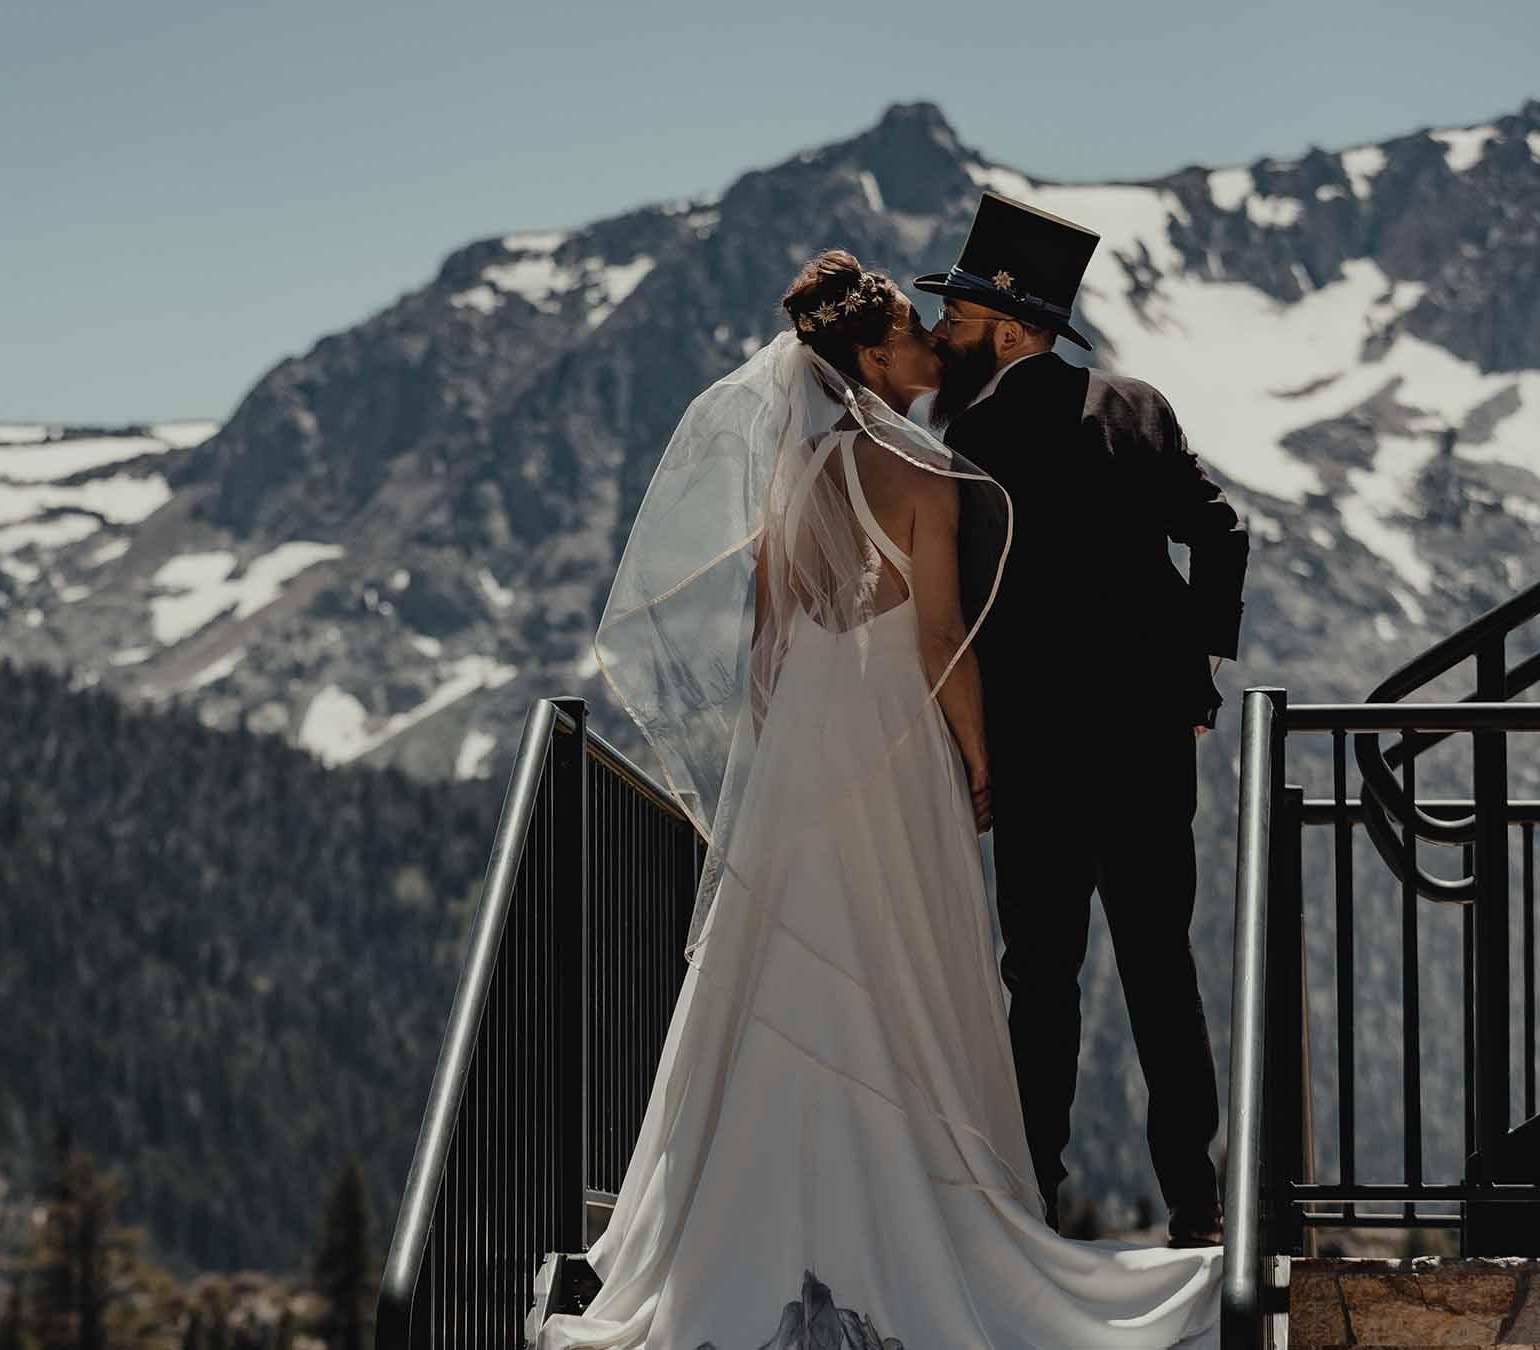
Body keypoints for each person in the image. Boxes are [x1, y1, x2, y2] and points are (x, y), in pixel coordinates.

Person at [529, 244, 1220, 1349]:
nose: (928, 341)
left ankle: (773, 1213)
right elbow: (944, 635)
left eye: (937, 323)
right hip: (921, 741)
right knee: (940, 963)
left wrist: (784, 759)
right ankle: (1097, 1208)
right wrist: (1000, 754)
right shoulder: (948, 462)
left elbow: (767, 646)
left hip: (820, 741)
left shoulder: (810, 467)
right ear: (868, 351)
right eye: (909, 328)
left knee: (848, 969)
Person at [919, 192, 1248, 1248]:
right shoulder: (1139, 405)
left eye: (960, 320)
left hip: (1038, 755)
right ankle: (1198, 1209)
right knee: (1164, 970)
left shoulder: (962, 438)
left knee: (1042, 979)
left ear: (1011, 327)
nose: (944, 336)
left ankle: (1031, 1201)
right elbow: (1223, 534)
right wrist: (1196, 678)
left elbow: (958, 612)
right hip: (1150, 746)